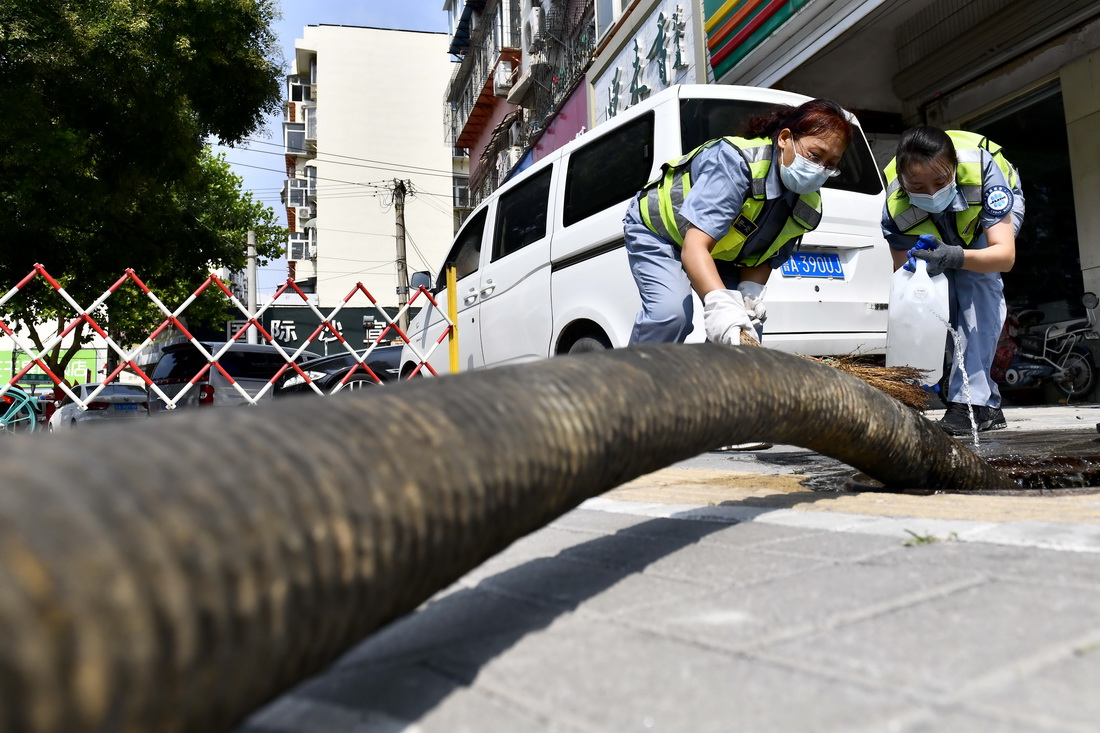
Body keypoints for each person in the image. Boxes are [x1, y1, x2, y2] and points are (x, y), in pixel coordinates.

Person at [623, 99, 854, 348]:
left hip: (720, 252)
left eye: (830, 164)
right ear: (785, 138)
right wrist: (720, 303)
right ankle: (634, 383)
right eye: (814, 155)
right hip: (662, 231)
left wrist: (749, 293)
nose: (819, 169)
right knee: (670, 315)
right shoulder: (736, 163)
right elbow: (695, 247)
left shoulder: (806, 204)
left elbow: (763, 255)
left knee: (744, 330)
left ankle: (717, 387)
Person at [881, 126, 1025, 435]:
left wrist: (955, 257)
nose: (931, 192)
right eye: (918, 185)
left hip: (986, 224)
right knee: (935, 293)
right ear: (904, 182)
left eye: (940, 181)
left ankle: (970, 401)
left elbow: (1004, 256)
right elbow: (907, 283)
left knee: (976, 281)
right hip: (942, 230)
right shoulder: (895, 204)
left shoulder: (983, 174)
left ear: (955, 168)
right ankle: (984, 402)